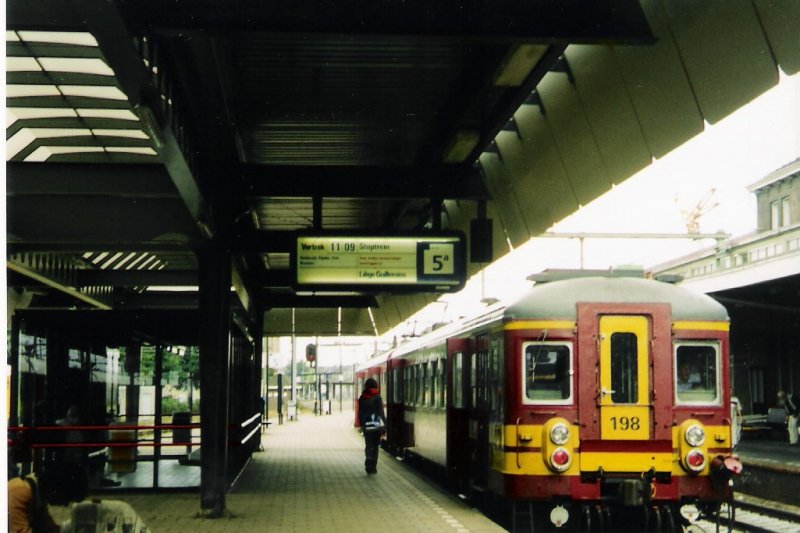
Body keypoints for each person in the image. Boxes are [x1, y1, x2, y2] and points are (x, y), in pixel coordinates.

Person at [8, 463, 88, 532]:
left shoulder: (37, 495)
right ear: (56, 489)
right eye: (66, 499)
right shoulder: (20, 491)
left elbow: (50, 529)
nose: (65, 505)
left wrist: (75, 524)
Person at [357, 378, 386, 475]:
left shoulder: (362, 398)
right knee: (375, 446)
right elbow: (381, 413)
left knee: (368, 445)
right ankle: (373, 467)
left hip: (367, 426)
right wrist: (384, 426)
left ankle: (368, 459)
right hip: (376, 426)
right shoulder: (378, 397)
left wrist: (362, 425)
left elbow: (360, 413)